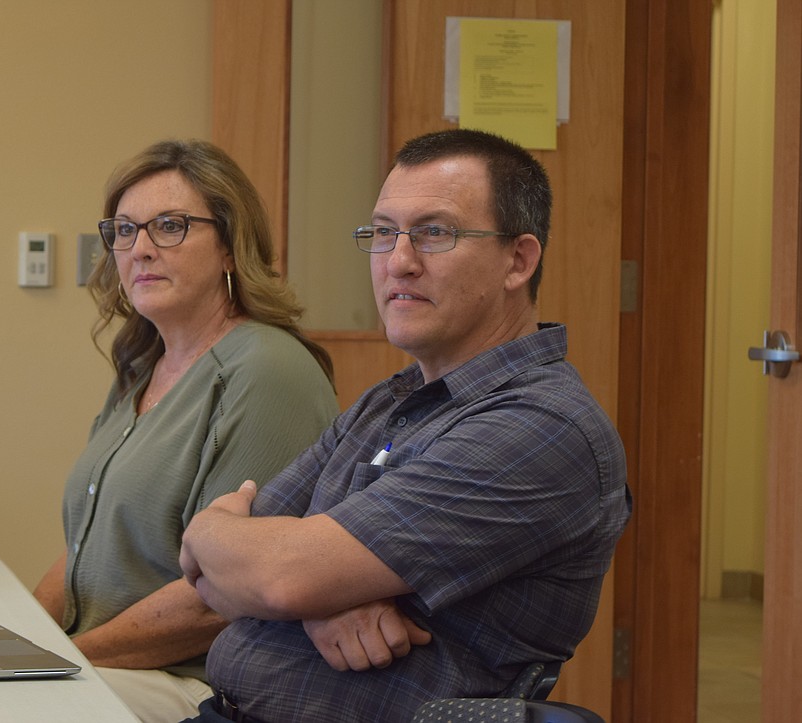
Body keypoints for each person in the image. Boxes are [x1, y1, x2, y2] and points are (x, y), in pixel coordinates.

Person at [179, 128, 632, 723]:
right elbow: (207, 569)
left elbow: (277, 575)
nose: (399, 262)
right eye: (384, 233)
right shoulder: (390, 400)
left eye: (435, 233)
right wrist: (317, 598)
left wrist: (276, 571)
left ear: (518, 260)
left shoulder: (542, 427)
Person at [32, 139, 340, 723]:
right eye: (124, 230)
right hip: (101, 664)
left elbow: (225, 598)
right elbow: (82, 552)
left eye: (169, 226)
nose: (140, 249)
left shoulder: (268, 369)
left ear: (229, 246)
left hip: (198, 687)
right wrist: (16, 642)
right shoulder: (140, 366)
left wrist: (63, 660)